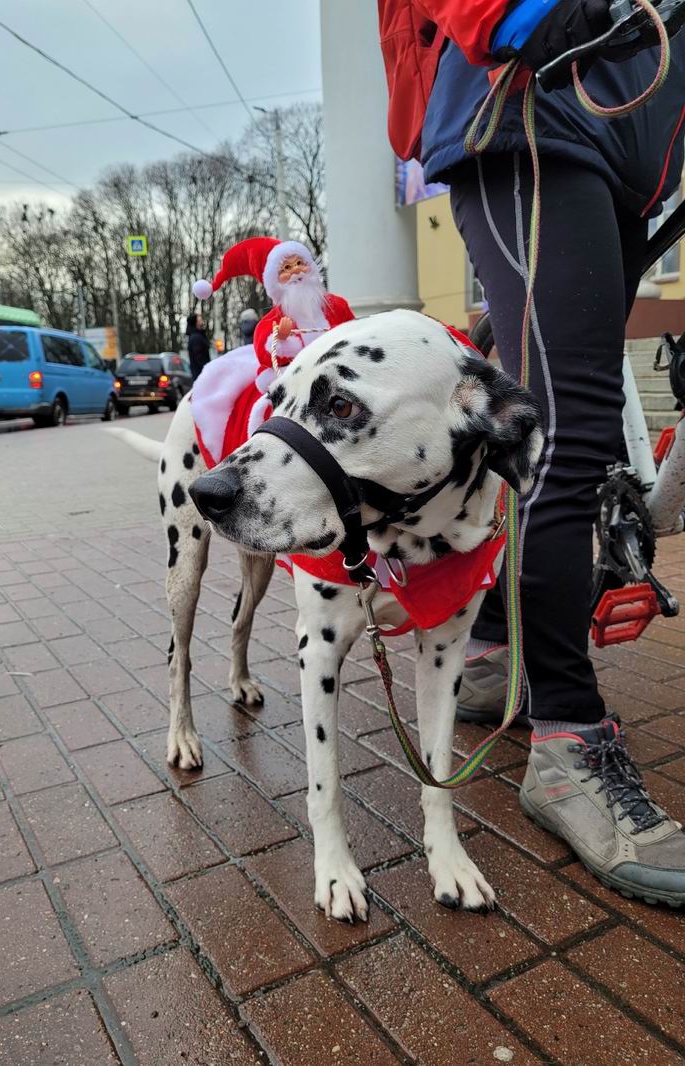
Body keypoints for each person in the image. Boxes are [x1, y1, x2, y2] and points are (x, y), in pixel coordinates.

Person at [379, 0, 685, 905]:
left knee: (539, 410)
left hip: (623, 132)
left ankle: (490, 653)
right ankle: (565, 742)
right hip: (531, 103)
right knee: (569, 427)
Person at [190, 237, 354, 466]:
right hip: (294, 384)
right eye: (286, 268)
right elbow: (264, 351)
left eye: (300, 263)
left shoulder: (336, 305)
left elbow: (354, 332)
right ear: (276, 282)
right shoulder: (275, 318)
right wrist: (282, 338)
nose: (296, 270)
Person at [186, 312, 210, 383]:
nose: (202, 320)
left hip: (200, 376)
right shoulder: (196, 338)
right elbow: (200, 358)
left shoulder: (196, 336)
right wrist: (207, 371)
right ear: (196, 322)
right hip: (201, 377)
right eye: (200, 319)